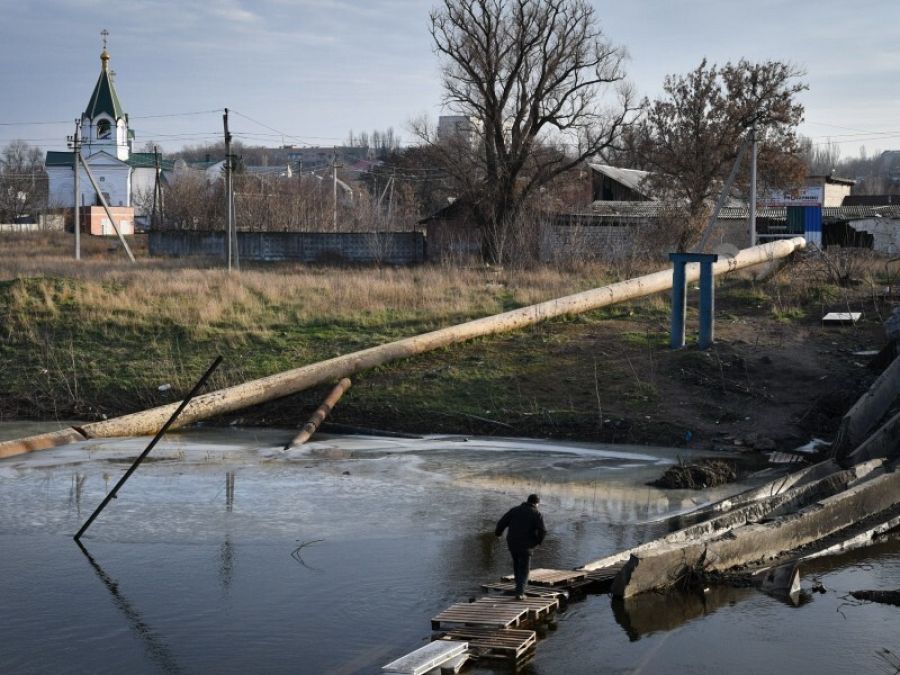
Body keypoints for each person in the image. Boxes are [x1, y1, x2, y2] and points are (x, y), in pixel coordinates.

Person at [495, 494, 546, 600]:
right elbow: (543, 531)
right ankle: (520, 593)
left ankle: (518, 588)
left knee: (517, 565)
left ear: (527, 501)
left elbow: (502, 522)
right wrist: (538, 542)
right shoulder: (536, 513)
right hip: (526, 545)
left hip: (512, 543)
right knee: (524, 569)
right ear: (537, 503)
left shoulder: (514, 510)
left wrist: (498, 533)